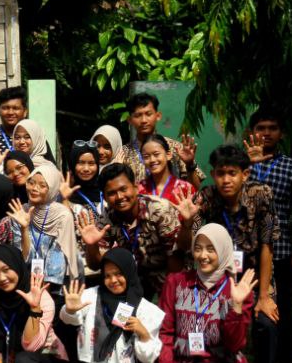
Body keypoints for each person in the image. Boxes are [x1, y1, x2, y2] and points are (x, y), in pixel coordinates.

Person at [190, 144, 282, 363]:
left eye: (232, 173)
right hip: (216, 275)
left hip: (253, 275)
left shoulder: (261, 195)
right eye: (220, 173)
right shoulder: (207, 197)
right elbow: (194, 240)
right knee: (206, 322)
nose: (226, 180)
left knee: (266, 323)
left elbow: (267, 246)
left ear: (245, 174)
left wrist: (264, 296)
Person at [153, 225, 256, 363]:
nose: (203, 255)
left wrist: (236, 306)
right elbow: (165, 330)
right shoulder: (177, 282)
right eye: (198, 248)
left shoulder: (236, 289)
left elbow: (235, 345)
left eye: (211, 249)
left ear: (224, 250)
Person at [244, 108, 292, 363]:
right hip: (248, 251)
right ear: (252, 132)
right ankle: (249, 362)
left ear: (280, 133)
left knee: (281, 308)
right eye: (261, 127)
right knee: (245, 308)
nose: (266, 133)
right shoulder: (243, 165)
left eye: (272, 127)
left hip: (281, 252)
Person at [77, 164, 192, 298]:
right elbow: (96, 265)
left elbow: (176, 257)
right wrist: (92, 245)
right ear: (105, 198)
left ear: (136, 188)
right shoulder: (106, 219)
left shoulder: (159, 210)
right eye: (112, 193)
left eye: (123, 189)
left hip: (169, 273)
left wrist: (168, 295)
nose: (119, 197)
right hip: (134, 279)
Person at [117, 93, 203, 186]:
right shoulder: (123, 154)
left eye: (148, 114)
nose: (144, 120)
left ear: (158, 116)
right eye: (138, 115)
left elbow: (194, 189)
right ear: (130, 120)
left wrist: (190, 164)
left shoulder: (175, 148)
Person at [136, 133, 197, 207]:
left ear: (168, 155)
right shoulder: (139, 190)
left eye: (156, 154)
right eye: (146, 156)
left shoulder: (185, 187)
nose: (152, 160)